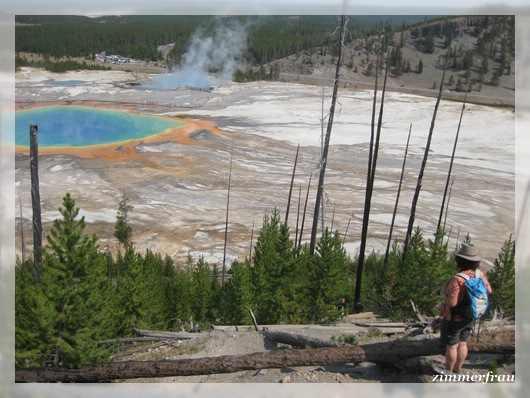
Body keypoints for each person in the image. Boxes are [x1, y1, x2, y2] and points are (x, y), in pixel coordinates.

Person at [439, 243, 492, 373]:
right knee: (463, 343)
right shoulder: (479, 275)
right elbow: (489, 290)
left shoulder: (458, 279)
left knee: (451, 346)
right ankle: (458, 369)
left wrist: (442, 294)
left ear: (460, 261)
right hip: (471, 316)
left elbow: (452, 303)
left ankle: (448, 371)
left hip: (454, 318)